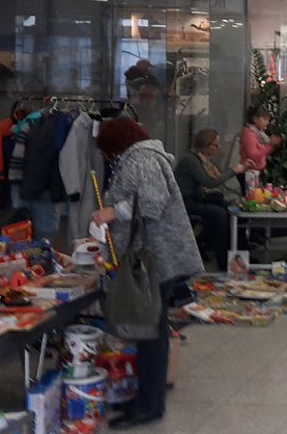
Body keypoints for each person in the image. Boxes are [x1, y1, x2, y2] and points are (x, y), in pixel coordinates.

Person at [91, 117, 203, 430]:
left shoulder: (141, 159)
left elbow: (152, 204)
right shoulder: (144, 157)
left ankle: (150, 404)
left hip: (155, 258)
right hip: (154, 257)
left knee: (150, 333)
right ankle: (145, 396)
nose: (109, 157)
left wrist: (111, 212)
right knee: (148, 331)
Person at [174, 129, 246, 271]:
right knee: (220, 214)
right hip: (185, 201)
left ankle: (241, 253)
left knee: (235, 210)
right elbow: (210, 182)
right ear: (206, 145)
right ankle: (223, 260)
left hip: (197, 197)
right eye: (215, 145)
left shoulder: (205, 160)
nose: (218, 148)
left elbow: (214, 179)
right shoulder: (191, 161)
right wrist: (234, 171)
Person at [239, 106, 282, 175]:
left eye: (268, 120)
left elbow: (262, 151)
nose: (267, 122)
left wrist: (273, 144)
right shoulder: (249, 133)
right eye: (264, 119)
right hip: (248, 173)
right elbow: (253, 156)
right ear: (255, 119)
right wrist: (269, 145)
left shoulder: (259, 134)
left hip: (255, 172)